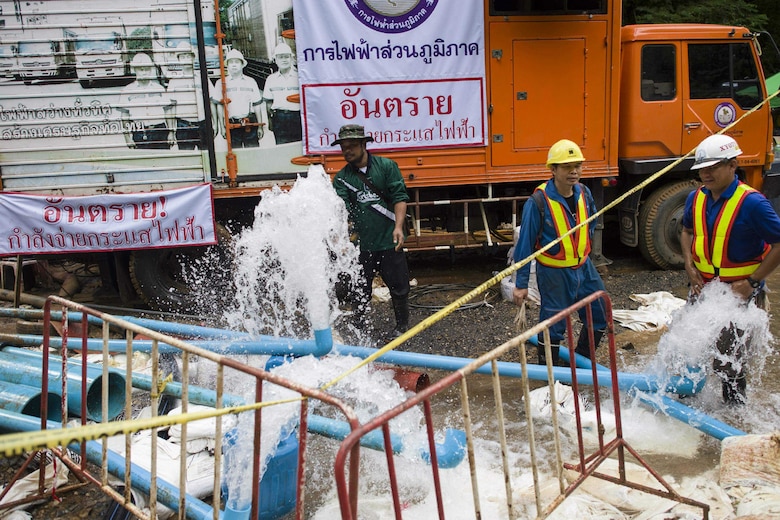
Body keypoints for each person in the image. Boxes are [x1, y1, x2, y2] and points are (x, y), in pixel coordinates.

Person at [681, 134, 780, 404]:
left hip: (740, 292)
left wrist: (752, 281)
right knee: (689, 350)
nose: (706, 174)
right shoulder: (695, 198)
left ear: (732, 165)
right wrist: (689, 264)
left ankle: (734, 413)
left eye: (713, 167)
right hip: (704, 288)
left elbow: (778, 243)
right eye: (702, 168)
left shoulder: (753, 203)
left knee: (729, 361)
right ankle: (690, 403)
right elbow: (687, 231)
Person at [512, 139, 607, 365]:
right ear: (553, 170)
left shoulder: (584, 193)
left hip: (583, 268)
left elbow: (590, 223)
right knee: (553, 325)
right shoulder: (538, 201)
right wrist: (521, 284)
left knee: (600, 314)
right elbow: (524, 245)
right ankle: (548, 374)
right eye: (567, 167)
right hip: (554, 273)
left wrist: (581, 250)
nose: (574, 172)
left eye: (577, 166)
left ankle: (581, 362)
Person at [332, 124, 411, 339]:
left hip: (388, 239)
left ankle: (402, 326)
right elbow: (342, 211)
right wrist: (341, 239)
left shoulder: (386, 167)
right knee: (359, 290)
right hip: (361, 245)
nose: (347, 151)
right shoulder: (341, 179)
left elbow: (399, 197)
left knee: (399, 286)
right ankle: (360, 328)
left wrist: (398, 227)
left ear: (364, 145)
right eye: (343, 147)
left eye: (352, 146)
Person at [165, 42, 217, 150]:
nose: (186, 59)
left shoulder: (203, 78)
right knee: (187, 156)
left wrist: (215, 123)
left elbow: (211, 101)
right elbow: (171, 108)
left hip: (203, 124)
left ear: (193, 58)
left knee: (207, 156)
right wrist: (171, 130)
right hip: (184, 126)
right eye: (182, 56)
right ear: (179, 60)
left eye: (188, 56)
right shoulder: (174, 82)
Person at [118, 53, 176, 150]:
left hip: (159, 131)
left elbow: (167, 112)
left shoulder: (159, 89)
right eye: (141, 69)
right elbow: (124, 117)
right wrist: (127, 137)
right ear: (134, 70)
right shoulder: (127, 91)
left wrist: (171, 132)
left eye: (147, 69)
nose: (144, 72)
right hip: (139, 132)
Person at [213, 49, 264, 148]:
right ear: (227, 65)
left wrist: (260, 127)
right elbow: (219, 106)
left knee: (252, 154)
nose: (234, 65)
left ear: (242, 64)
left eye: (237, 62)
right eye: (231, 62)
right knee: (235, 154)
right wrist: (222, 127)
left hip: (250, 124)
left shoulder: (251, 81)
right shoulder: (220, 83)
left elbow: (257, 105)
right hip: (231, 125)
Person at [263, 42, 302, 144]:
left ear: (292, 58)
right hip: (279, 119)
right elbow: (268, 103)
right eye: (280, 57)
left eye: (286, 57)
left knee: (298, 147)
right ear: (275, 60)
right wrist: (270, 121)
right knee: (282, 148)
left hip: (297, 117)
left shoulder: (300, 77)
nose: (284, 60)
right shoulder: (270, 79)